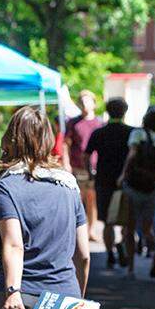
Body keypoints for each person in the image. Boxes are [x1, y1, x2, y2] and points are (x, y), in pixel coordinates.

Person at [0, 106, 90, 309]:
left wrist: (12, 291)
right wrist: (77, 295)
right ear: (47, 140)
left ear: (10, 139)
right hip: (65, 294)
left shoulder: (6, 186)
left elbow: (12, 243)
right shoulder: (68, 185)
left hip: (20, 298)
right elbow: (83, 254)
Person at [120, 105, 155, 279]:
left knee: (129, 228)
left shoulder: (138, 134)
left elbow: (132, 155)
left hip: (134, 185)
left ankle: (131, 268)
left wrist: (122, 175)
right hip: (153, 187)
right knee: (148, 228)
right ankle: (154, 252)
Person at [85, 98, 133, 268]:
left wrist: (91, 174)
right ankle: (122, 247)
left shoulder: (99, 133)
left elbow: (87, 155)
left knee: (107, 221)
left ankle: (110, 252)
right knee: (127, 220)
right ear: (125, 112)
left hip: (103, 180)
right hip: (126, 182)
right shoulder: (132, 133)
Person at [65, 91, 104, 241]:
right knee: (77, 199)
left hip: (94, 167)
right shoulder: (73, 123)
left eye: (87, 101)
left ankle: (91, 230)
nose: (84, 104)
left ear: (94, 103)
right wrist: (66, 163)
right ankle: (77, 230)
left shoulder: (99, 123)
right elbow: (66, 144)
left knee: (92, 199)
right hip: (77, 166)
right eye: (81, 101)